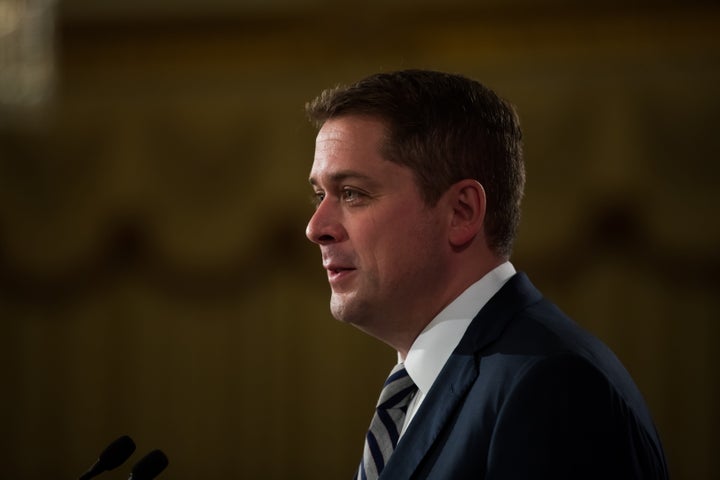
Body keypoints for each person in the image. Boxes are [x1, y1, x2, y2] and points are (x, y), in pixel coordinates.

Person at [304, 69, 668, 479]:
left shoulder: (550, 388)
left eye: (352, 193)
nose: (316, 227)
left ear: (461, 212)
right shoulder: (433, 386)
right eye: (320, 195)